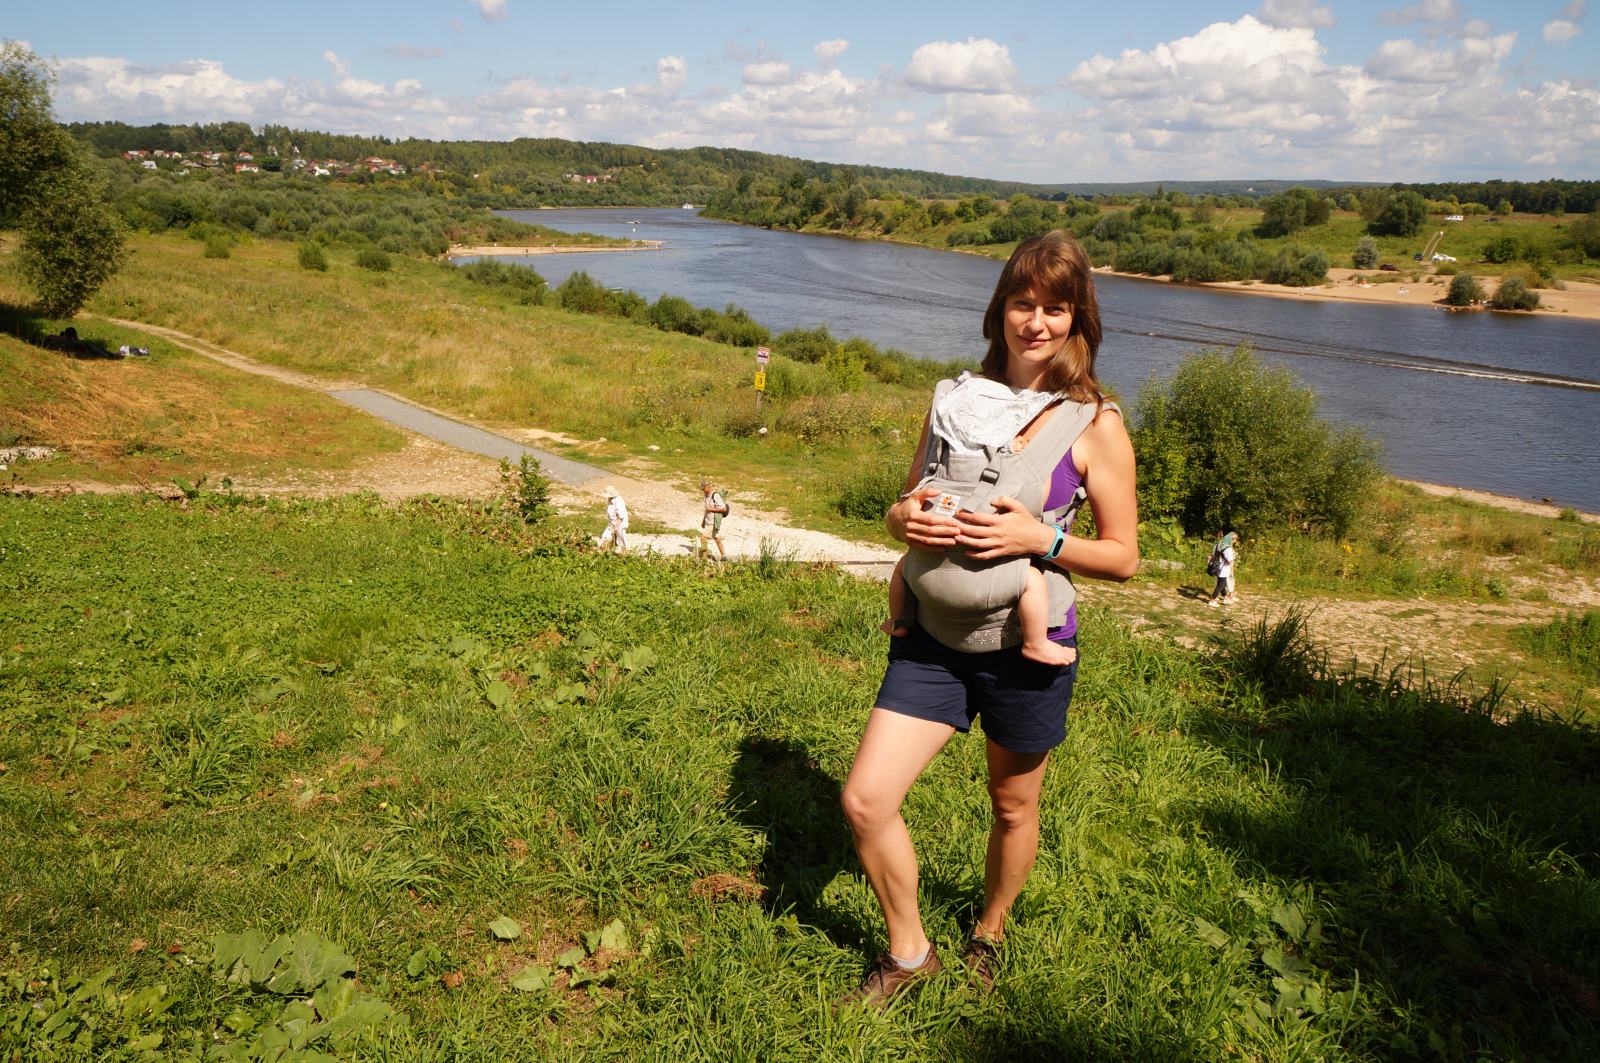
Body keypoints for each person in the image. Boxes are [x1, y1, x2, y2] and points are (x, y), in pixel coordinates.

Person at [840, 230, 1138, 1006]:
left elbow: (1125, 555)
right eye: (1022, 302)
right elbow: (901, 503)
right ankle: (910, 955)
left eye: (1055, 307)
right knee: (866, 799)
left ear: (1079, 319)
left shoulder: (1095, 423)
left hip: (1027, 649)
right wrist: (908, 518)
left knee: (1012, 803)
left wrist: (1043, 537)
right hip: (933, 639)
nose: (1035, 322)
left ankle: (990, 929)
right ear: (1000, 307)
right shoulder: (955, 400)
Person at [697, 477, 729, 561]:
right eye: (702, 489)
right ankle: (724, 556)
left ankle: (704, 557)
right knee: (717, 538)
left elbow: (724, 509)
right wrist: (703, 521)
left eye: (704, 489)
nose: (703, 491)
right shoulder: (707, 496)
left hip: (713, 522)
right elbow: (706, 509)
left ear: (708, 486)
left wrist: (711, 509)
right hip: (709, 521)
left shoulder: (715, 495)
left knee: (703, 538)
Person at [1207, 531, 1238, 606]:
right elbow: (1230, 561)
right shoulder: (1228, 548)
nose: (1235, 541)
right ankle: (1212, 600)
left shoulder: (1217, 545)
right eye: (1234, 539)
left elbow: (1213, 555)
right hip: (1224, 569)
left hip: (1216, 567)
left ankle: (1225, 598)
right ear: (1231, 539)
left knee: (1222, 584)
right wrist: (1234, 556)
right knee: (1220, 585)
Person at [598, 485, 629, 554]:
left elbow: (621, 515)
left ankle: (626, 552)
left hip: (620, 523)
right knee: (605, 537)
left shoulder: (618, 501)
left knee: (622, 540)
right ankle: (607, 549)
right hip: (612, 523)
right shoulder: (610, 500)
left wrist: (616, 527)